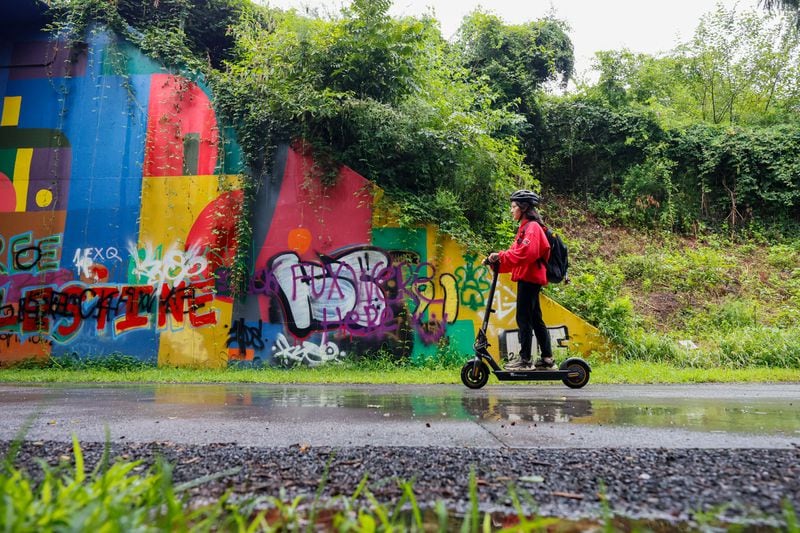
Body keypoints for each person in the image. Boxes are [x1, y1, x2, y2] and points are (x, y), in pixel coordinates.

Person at [487, 190, 554, 370]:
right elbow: (515, 256)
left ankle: (525, 359)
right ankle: (547, 358)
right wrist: (497, 263)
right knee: (535, 317)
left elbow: (526, 253)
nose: (511, 211)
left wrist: (499, 256)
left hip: (530, 278)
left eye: (514, 207)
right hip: (529, 277)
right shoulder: (525, 228)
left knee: (523, 317)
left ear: (523, 208)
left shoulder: (532, 228)